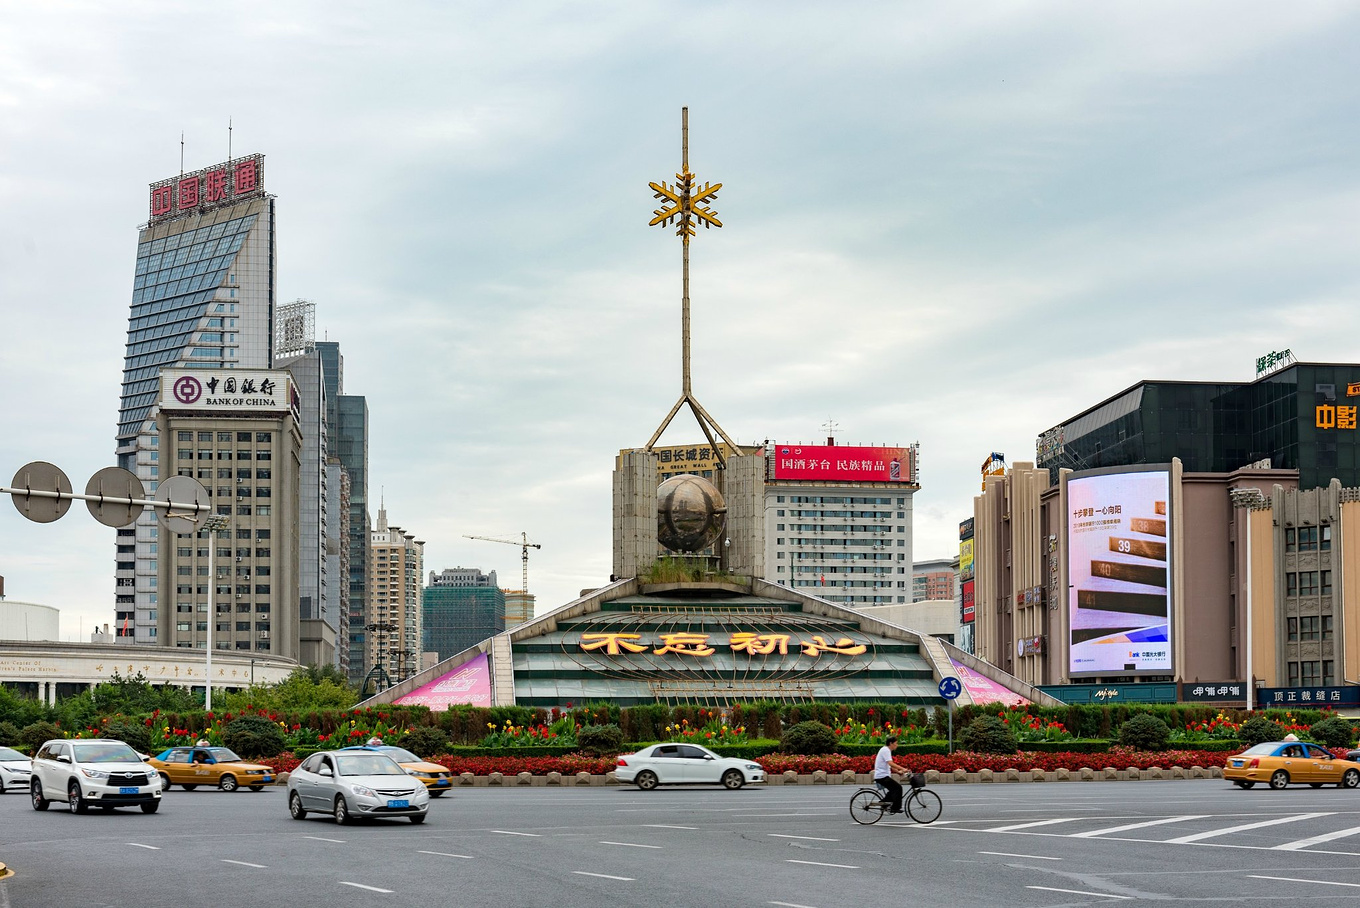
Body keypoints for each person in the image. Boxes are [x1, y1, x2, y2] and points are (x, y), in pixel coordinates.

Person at [873, 735, 912, 815]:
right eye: (896, 743)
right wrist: (902, 769)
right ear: (891, 743)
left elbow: (888, 765)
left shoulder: (886, 750)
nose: (897, 745)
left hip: (883, 776)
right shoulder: (886, 750)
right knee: (898, 788)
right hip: (881, 776)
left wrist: (898, 772)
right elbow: (890, 763)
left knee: (893, 789)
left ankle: (884, 803)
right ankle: (895, 808)